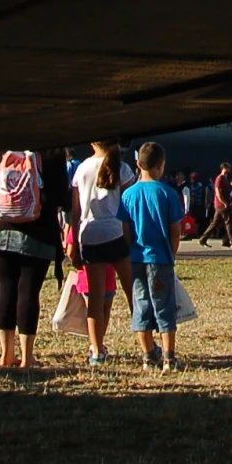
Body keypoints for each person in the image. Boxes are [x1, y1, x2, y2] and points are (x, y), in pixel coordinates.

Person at [0, 147, 63, 369]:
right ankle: (27, 357)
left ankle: (5, 354)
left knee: (6, 289)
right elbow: (58, 195)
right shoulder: (51, 152)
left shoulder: (3, 149)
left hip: (1, 228)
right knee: (28, 292)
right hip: (38, 231)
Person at [122, 141, 186, 369]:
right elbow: (175, 231)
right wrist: (172, 253)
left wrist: (133, 250)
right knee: (164, 306)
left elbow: (126, 230)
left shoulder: (128, 195)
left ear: (138, 164)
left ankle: (148, 355)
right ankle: (169, 356)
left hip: (137, 258)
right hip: (161, 259)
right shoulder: (168, 194)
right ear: (161, 165)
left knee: (141, 306)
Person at [72, 139, 136, 364]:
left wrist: (74, 244)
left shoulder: (81, 168)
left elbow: (76, 210)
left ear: (92, 143)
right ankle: (146, 342)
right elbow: (129, 207)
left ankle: (96, 350)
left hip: (90, 235)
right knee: (132, 292)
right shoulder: (123, 168)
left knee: (96, 298)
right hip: (116, 232)